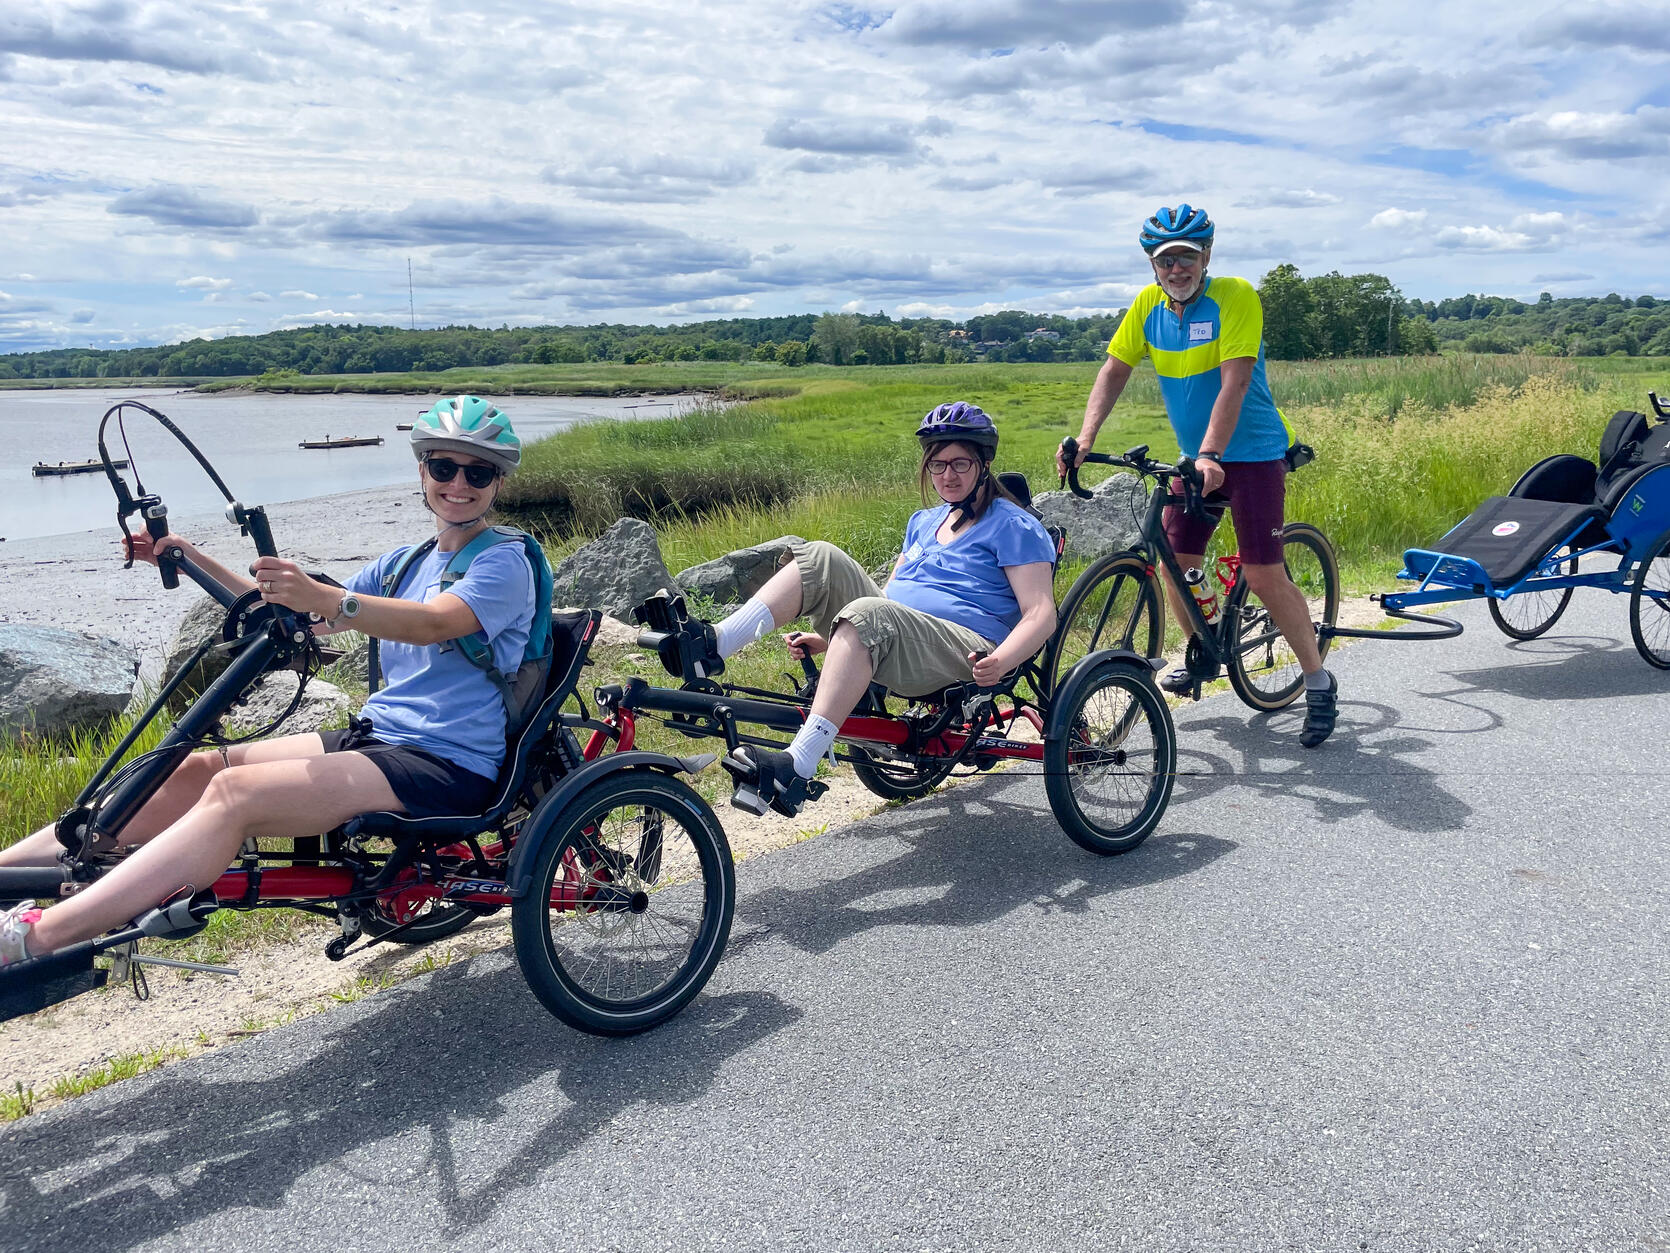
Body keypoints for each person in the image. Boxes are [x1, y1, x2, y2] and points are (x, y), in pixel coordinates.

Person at [0, 395, 537, 967]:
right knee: (193, 768)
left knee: (237, 796)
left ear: (497, 483)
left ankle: (33, 941)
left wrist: (327, 596)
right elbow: (295, 615)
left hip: (449, 760)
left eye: (477, 472)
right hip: (380, 737)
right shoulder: (407, 562)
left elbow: (436, 624)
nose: (459, 483)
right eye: (444, 467)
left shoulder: (505, 562)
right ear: (423, 470)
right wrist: (190, 557)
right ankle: (8, 878)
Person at [1058, 203, 1338, 747]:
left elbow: (1234, 383)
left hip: (1253, 454)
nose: (1177, 268)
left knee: (1262, 573)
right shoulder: (1148, 306)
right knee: (1174, 558)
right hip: (1196, 457)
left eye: (1187, 256)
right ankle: (1204, 649)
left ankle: (1318, 680)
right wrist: (1085, 439)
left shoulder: (1235, 296)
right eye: (1166, 260)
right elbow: (1114, 369)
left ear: (1206, 256)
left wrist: (1211, 451)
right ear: (1152, 265)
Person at [698, 401, 1057, 817]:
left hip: (968, 649)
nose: (947, 475)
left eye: (960, 463)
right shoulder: (924, 521)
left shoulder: (1013, 524)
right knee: (820, 556)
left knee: (872, 612)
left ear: (983, 464)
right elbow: (892, 595)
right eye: (938, 465)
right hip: (901, 633)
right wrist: (832, 638)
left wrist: (1002, 660)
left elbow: (1041, 613)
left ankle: (798, 764)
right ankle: (714, 645)